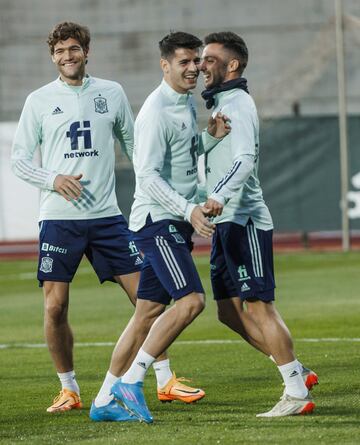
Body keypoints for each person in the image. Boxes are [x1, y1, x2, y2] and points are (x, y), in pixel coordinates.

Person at [11, 22, 203, 419]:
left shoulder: (111, 93)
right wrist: (53, 178)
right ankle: (69, 389)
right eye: (61, 51)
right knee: (55, 308)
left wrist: (155, 187)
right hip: (60, 218)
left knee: (148, 297)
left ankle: (164, 379)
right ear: (53, 56)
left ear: (86, 52)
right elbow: (18, 159)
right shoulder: (39, 100)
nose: (68, 56)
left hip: (108, 217)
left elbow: (135, 144)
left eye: (75, 49)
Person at [91, 31, 229, 424]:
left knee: (147, 313)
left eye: (196, 61)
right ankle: (132, 381)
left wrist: (209, 138)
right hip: (158, 222)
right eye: (184, 62)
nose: (193, 69)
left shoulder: (185, 102)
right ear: (165, 64)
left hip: (173, 220)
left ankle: (103, 402)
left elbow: (182, 154)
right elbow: (147, 175)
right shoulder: (153, 111)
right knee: (192, 301)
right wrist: (188, 210)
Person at [200, 31, 318, 417]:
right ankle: (295, 370)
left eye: (210, 60)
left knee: (259, 306)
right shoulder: (220, 103)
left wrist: (217, 194)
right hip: (226, 222)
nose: (202, 66)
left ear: (232, 65)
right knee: (227, 312)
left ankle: (296, 392)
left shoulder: (238, 102)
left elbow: (245, 157)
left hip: (243, 218)